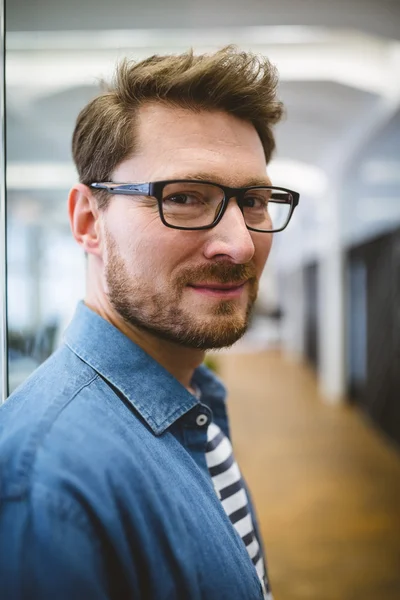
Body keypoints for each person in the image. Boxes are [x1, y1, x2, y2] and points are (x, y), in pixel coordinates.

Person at [0, 46, 299, 599]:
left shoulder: (192, 402)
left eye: (254, 201)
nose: (239, 244)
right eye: (183, 197)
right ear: (90, 221)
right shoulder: (47, 487)